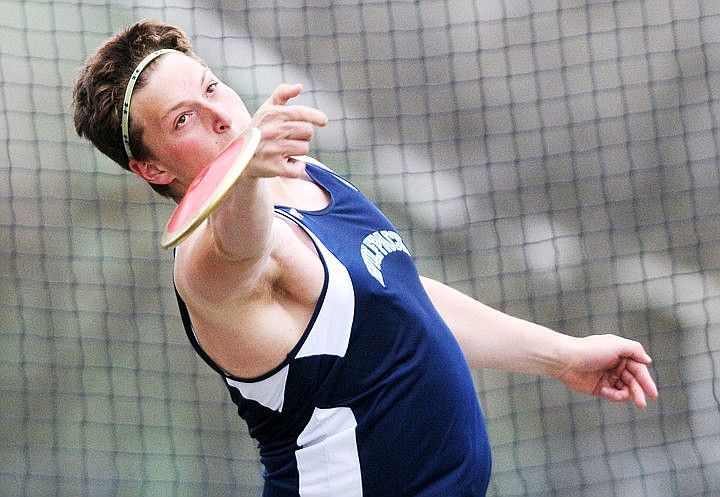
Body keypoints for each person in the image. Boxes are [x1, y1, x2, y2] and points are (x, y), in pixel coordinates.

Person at [72, 20, 658, 497]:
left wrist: (563, 356)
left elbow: (401, 299)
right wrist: (246, 170)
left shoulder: (303, 175)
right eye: (183, 119)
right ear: (153, 168)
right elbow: (242, 245)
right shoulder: (207, 264)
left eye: (210, 87)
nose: (220, 113)